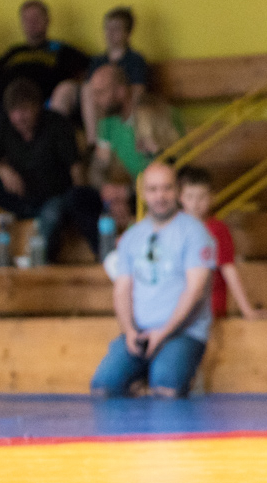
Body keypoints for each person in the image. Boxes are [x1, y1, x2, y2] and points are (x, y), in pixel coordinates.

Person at [90, 162, 216, 398]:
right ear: (143, 193)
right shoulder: (131, 237)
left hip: (183, 333)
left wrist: (162, 333)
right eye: (153, 189)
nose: (160, 196)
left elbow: (195, 291)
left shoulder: (195, 232)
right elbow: (122, 290)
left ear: (177, 191)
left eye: (166, 188)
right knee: (102, 387)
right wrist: (128, 331)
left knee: (165, 387)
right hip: (139, 335)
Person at [0, 77, 92, 265]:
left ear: (38, 107)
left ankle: (40, 264)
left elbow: (76, 169)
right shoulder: (4, 125)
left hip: (53, 199)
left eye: (24, 110)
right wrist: (3, 171)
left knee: (51, 216)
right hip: (19, 197)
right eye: (13, 111)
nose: (18, 117)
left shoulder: (58, 125)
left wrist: (80, 205)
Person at [177, 166, 267, 321]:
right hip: (174, 307)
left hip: (209, 309)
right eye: (190, 197)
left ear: (212, 197)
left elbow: (229, 270)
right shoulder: (173, 228)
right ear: (180, 198)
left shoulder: (218, 229)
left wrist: (247, 310)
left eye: (201, 197)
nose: (195, 204)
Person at [0, 0, 88, 118]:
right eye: (27, 19)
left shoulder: (61, 50)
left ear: (47, 20)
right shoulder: (14, 52)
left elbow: (88, 71)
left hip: (42, 107)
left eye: (36, 17)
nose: (32, 22)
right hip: (2, 106)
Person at [81, 6, 150, 144]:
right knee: (87, 89)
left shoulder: (135, 59)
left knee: (132, 91)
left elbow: (139, 89)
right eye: (108, 28)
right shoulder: (97, 61)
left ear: (127, 33)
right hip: (103, 104)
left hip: (123, 103)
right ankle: (93, 143)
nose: (110, 33)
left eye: (117, 29)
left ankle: (129, 131)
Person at [93, 88, 179, 183]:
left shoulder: (169, 159)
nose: (140, 142)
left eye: (146, 135)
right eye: (138, 131)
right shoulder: (142, 153)